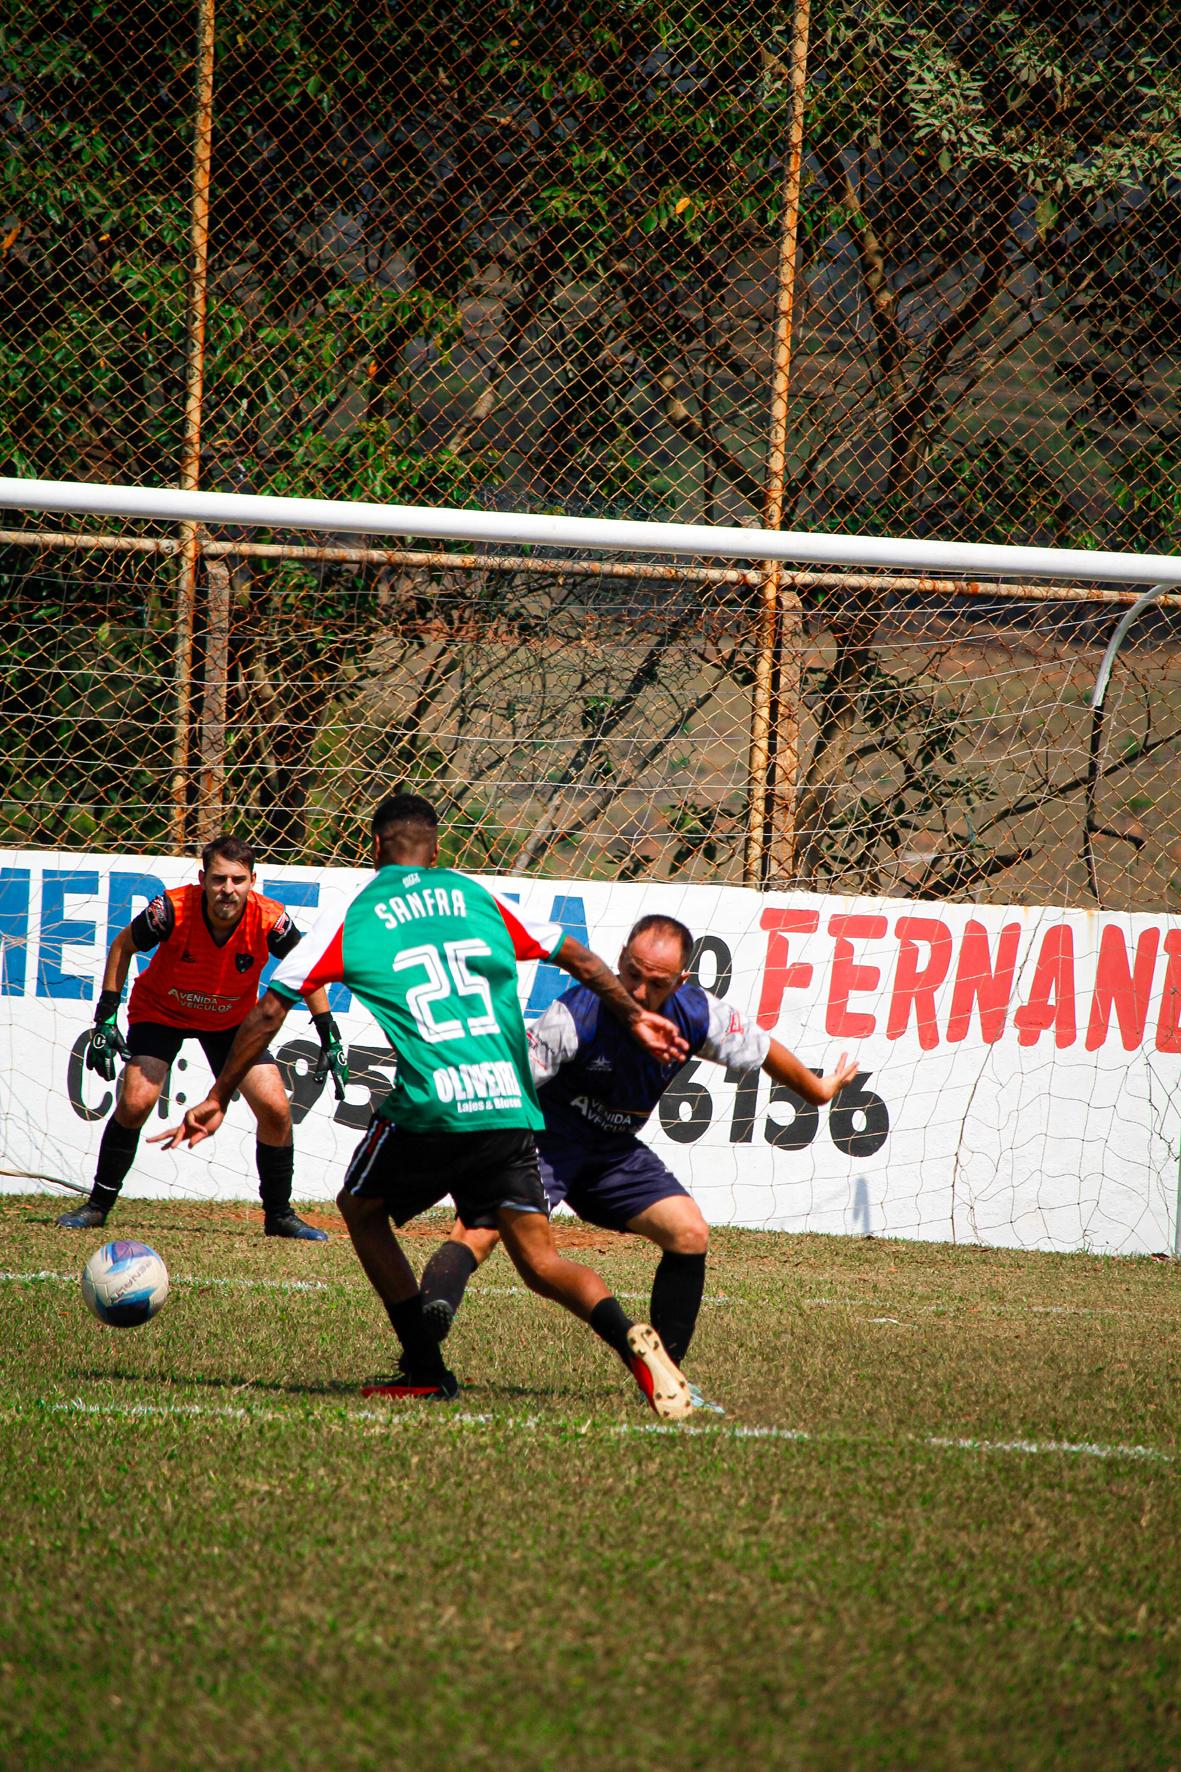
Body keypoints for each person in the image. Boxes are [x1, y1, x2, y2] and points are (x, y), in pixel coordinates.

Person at [155, 793, 698, 1420]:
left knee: (359, 1206)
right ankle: (633, 1343)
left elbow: (270, 1008)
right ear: (437, 851)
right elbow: (575, 956)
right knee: (541, 1260)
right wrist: (634, 1014)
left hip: (435, 1105)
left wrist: (220, 1094)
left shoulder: (353, 918)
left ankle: (425, 1369)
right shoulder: (477, 898)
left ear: (373, 847)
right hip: (509, 1105)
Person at [418, 913, 859, 1376]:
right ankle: (420, 1356)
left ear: (682, 980)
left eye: (657, 983)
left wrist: (817, 1090)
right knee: (477, 1233)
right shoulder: (575, 1015)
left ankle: (665, 1377)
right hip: (546, 1142)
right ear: (620, 959)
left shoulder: (698, 1014)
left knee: (689, 1231)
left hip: (613, 1154)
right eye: (632, 974)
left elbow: (764, 1050)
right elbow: (510, 1086)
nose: (640, 992)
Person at [58, 834, 349, 1241]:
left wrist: (328, 1032)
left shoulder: (270, 919)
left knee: (276, 1108)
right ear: (202, 878)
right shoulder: (171, 908)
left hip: (231, 1021)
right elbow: (123, 945)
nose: (227, 890)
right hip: (161, 1012)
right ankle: (98, 1205)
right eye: (217, 879)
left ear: (252, 880)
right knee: (137, 1099)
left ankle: (279, 1216)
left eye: (237, 879)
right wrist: (106, 1016)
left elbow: (307, 969)